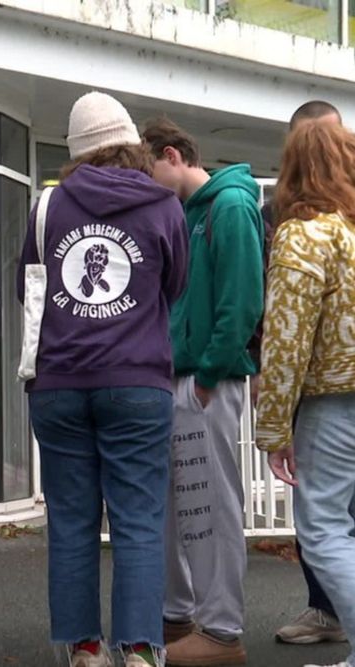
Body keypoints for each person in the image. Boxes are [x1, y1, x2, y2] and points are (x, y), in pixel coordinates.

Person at [19, 92, 188, 667]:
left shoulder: (48, 207)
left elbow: (31, 288)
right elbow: (174, 285)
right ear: (129, 144)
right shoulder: (164, 205)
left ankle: (84, 649)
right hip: (139, 381)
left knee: (70, 521)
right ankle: (139, 650)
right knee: (139, 520)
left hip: (59, 382)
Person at [143, 118, 264, 666]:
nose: (148, 186)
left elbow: (241, 300)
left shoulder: (230, 206)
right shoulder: (189, 213)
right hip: (186, 378)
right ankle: (182, 615)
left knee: (212, 505)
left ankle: (220, 630)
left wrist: (211, 374)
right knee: (182, 505)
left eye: (151, 172)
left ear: (173, 155)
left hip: (206, 381)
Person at [255, 121, 355, 667]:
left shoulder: (304, 234)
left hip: (332, 404)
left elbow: (286, 340)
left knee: (323, 532)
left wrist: (273, 430)